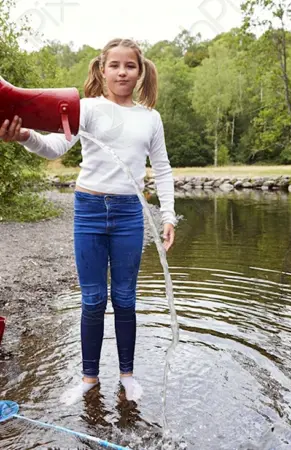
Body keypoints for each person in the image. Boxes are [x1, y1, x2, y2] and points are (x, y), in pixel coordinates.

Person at [0, 38, 177, 404]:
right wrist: (24, 137)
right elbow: (53, 148)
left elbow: (161, 169)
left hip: (131, 213)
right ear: (102, 69)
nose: (122, 71)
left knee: (125, 298)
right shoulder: (87, 110)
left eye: (130, 65)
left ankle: (127, 375)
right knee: (94, 299)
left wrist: (169, 215)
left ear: (140, 71)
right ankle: (89, 377)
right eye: (115, 65)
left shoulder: (150, 117)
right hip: (89, 211)